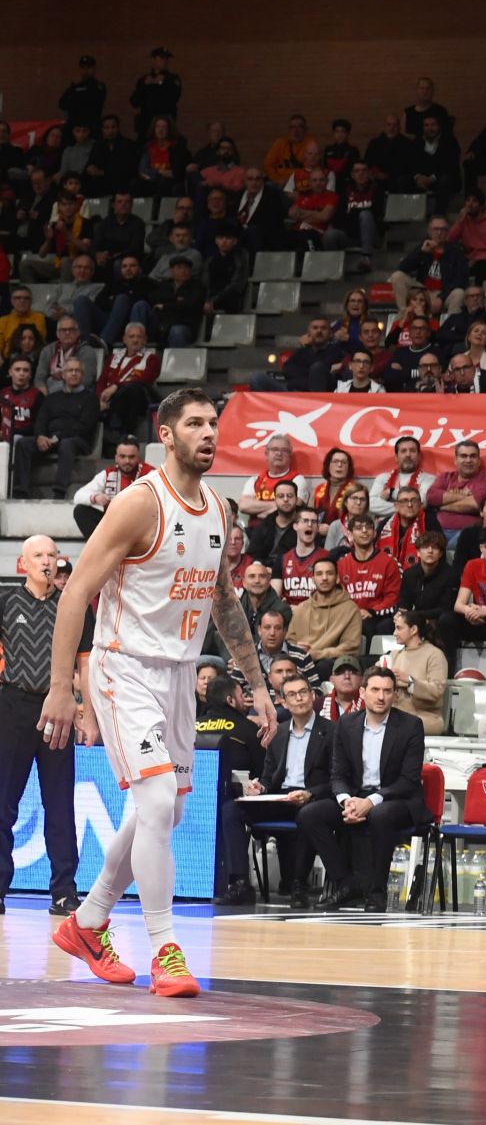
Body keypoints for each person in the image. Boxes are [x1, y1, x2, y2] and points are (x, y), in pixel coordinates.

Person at [45, 390, 274, 998]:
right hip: (124, 667)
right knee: (153, 798)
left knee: (164, 812)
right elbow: (75, 594)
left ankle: (88, 921)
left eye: (213, 423)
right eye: (194, 423)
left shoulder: (220, 510)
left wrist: (258, 686)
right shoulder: (138, 504)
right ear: (165, 435)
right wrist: (61, 688)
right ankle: (166, 948)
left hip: (176, 675)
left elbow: (225, 602)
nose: (207, 433)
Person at [295, 668, 427, 912]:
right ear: (363, 692)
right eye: (375, 690)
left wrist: (372, 801)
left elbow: (408, 781)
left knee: (380, 815)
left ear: (395, 695)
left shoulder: (411, 726)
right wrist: (347, 801)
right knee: (310, 814)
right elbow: (338, 774)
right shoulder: (346, 724)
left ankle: (376, 893)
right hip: (355, 796)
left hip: (397, 799)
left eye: (387, 691)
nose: (381, 697)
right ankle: (347, 884)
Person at [0, 536, 85, 915]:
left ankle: (64, 892)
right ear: (24, 564)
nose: (46, 561)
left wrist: (88, 713)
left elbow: (86, 664)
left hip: (59, 709)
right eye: (38, 555)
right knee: (3, 803)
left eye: (52, 554)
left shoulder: (73, 606)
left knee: (60, 803)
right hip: (14, 705)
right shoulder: (4, 601)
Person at [224, 673, 333, 907]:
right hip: (280, 797)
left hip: (310, 798)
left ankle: (298, 886)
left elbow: (337, 778)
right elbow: (268, 776)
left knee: (308, 814)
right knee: (231, 810)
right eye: (292, 695)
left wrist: (311, 794)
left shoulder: (332, 731)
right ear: (282, 702)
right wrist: (258, 787)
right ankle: (240, 882)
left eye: (304, 692)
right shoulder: (278, 732)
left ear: (313, 696)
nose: (299, 699)